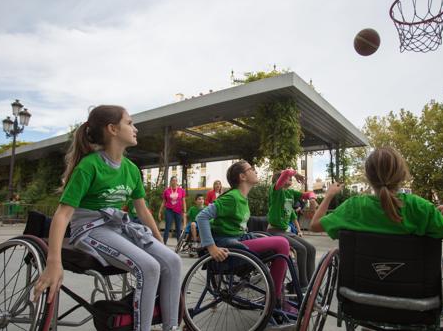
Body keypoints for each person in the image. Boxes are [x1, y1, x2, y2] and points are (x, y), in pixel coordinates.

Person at [32, 105, 182, 331]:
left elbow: (142, 210)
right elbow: (62, 215)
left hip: (118, 227)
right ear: (112, 129)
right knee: (149, 267)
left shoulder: (131, 169)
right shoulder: (89, 166)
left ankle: (171, 327)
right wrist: (54, 262)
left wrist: (159, 243)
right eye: (130, 123)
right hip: (90, 229)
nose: (136, 128)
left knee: (173, 261)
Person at [310, 146, 443, 293]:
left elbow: (314, 225)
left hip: (361, 295)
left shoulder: (354, 206)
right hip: (414, 297)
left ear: (368, 176)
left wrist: (329, 195)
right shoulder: (420, 208)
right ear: (402, 174)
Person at [196, 160, 293, 314]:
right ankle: (273, 302)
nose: (255, 171)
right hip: (229, 245)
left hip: (239, 239)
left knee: (282, 247)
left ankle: (278, 297)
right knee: (282, 243)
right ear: (242, 176)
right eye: (252, 169)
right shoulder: (232, 198)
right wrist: (211, 247)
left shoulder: (242, 197)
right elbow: (202, 217)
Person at [266, 169, 318, 288]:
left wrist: (312, 199)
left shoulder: (290, 193)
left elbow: (308, 194)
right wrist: (296, 173)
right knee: (301, 249)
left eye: (291, 178)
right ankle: (301, 285)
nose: (290, 179)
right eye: (288, 178)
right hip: (274, 231)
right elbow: (286, 173)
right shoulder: (276, 190)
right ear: (280, 180)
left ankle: (311, 285)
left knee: (311, 249)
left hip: (285, 231)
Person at [159, 176, 186, 244]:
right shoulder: (166, 191)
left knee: (178, 228)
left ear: (177, 182)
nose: (174, 182)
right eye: (173, 180)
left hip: (178, 211)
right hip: (169, 210)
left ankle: (178, 244)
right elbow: (164, 202)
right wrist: (160, 211)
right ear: (170, 182)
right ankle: (164, 242)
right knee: (167, 226)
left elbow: (184, 201)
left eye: (175, 180)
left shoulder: (181, 190)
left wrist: (184, 212)